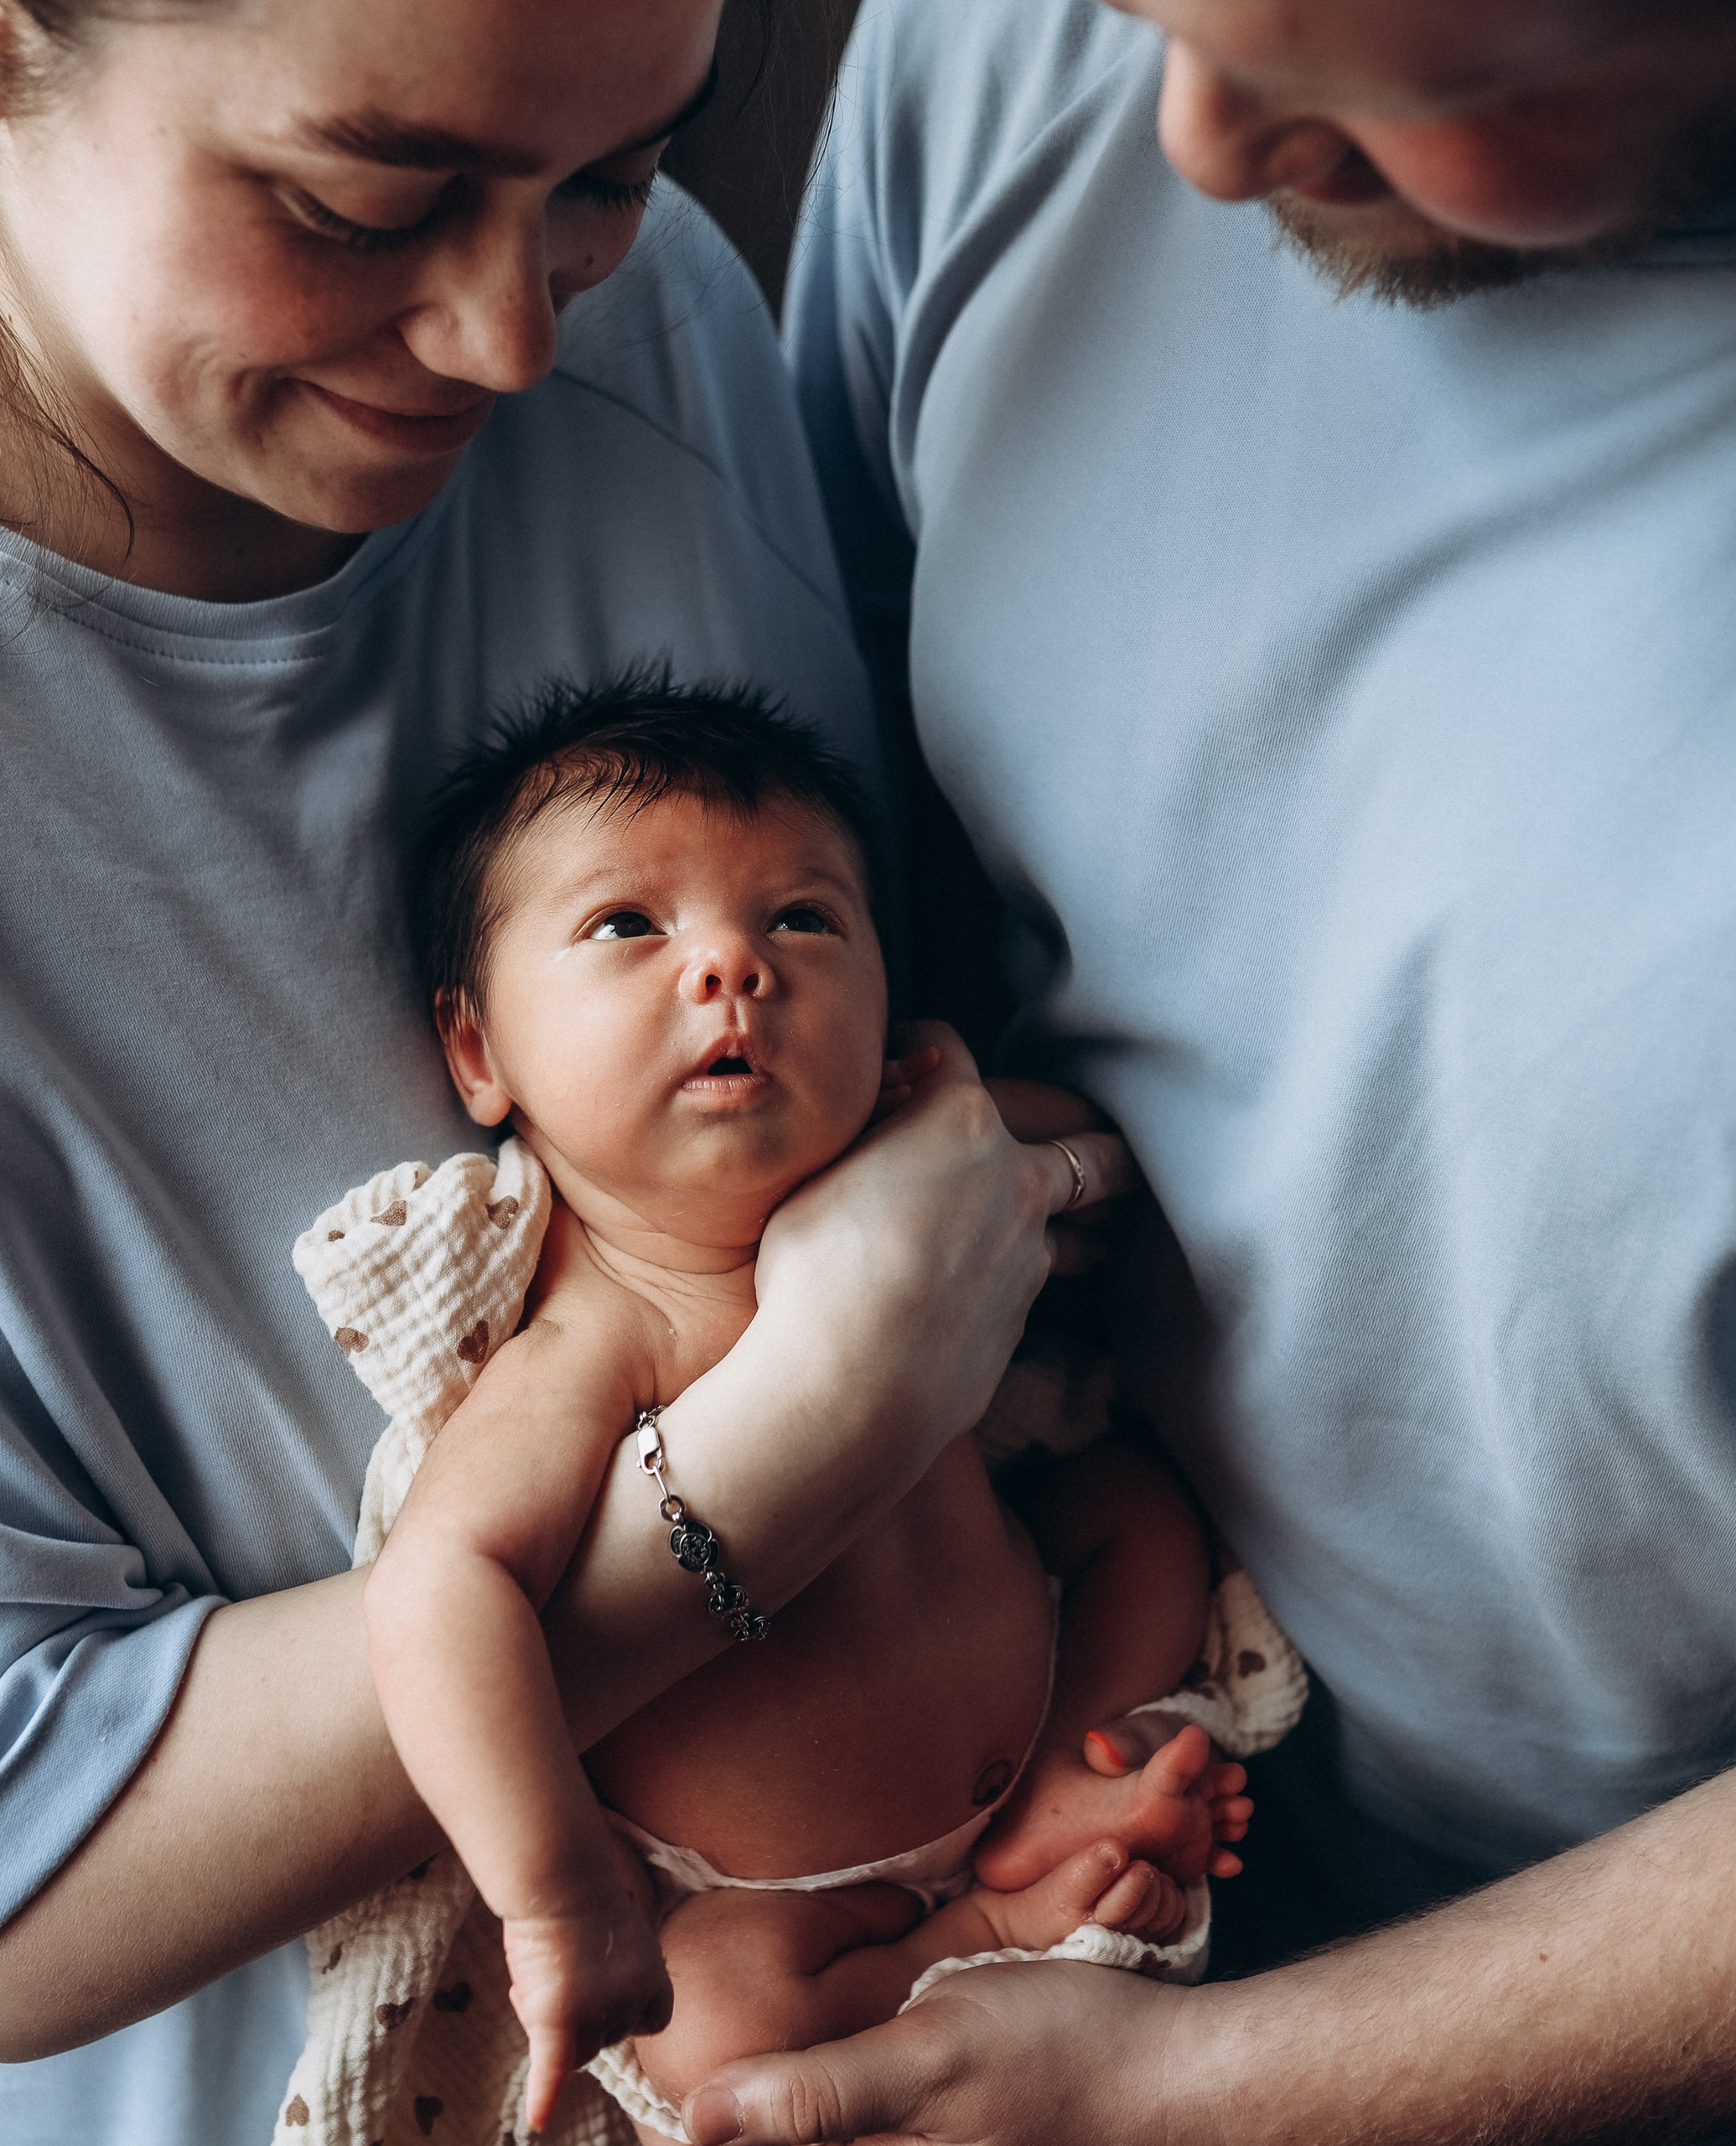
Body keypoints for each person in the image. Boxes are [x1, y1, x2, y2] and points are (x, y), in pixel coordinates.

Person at [0, 3, 1132, 2142]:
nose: (513, 338)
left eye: (606, 177)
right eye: (360, 204)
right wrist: (828, 1416)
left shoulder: (656, 310)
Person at [665, 0, 1736, 2140]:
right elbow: (843, 842)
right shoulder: (1013, 46)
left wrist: (1196, 2090)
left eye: (1415, 86)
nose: (1196, 146)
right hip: (1004, 1861)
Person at [370, 681, 1237, 2135]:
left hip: (1025, 1717)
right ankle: (973, 1944)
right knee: (714, 2024)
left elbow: (1098, 1146)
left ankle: (1073, 1782)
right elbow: (439, 1590)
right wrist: (557, 1893)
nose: (731, 965)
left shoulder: (901, 1152)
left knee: (1135, 1515)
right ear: (480, 1055)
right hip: (773, 1899)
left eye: (803, 922)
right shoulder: (599, 1334)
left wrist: (967, 1115)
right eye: (627, 927)